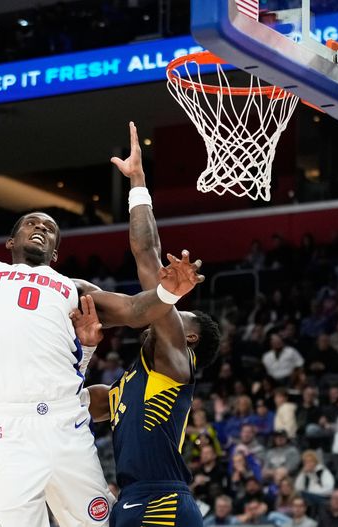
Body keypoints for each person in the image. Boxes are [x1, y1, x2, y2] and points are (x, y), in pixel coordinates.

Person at [0, 109, 204, 526]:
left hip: (67, 425)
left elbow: (139, 309)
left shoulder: (75, 289)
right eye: (30, 222)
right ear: (11, 240)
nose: (40, 226)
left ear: (55, 253)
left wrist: (169, 292)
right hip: (8, 430)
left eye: (49, 228)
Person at [84, 122, 221, 527]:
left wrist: (139, 184)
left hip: (161, 501)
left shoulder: (175, 363)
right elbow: (94, 404)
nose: (164, 313)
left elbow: (148, 256)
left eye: (178, 316)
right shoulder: (135, 379)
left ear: (188, 337)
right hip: (134, 500)